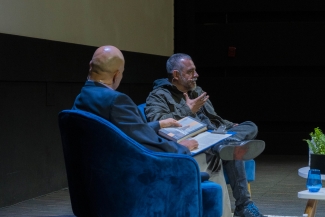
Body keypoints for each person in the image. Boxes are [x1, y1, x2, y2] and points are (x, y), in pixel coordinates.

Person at [145, 53, 266, 217]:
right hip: (196, 140)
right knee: (232, 146)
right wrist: (188, 110)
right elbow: (158, 122)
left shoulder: (197, 91)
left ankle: (231, 142)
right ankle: (243, 204)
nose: (196, 75)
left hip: (216, 134)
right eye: (190, 71)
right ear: (176, 75)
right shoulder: (158, 95)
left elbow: (215, 119)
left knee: (250, 126)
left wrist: (231, 126)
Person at [72, 45, 199, 155]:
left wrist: (159, 124)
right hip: (128, 174)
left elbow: (127, 131)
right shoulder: (116, 101)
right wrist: (182, 147)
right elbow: (149, 143)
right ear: (116, 75)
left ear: (90, 66)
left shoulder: (82, 97)